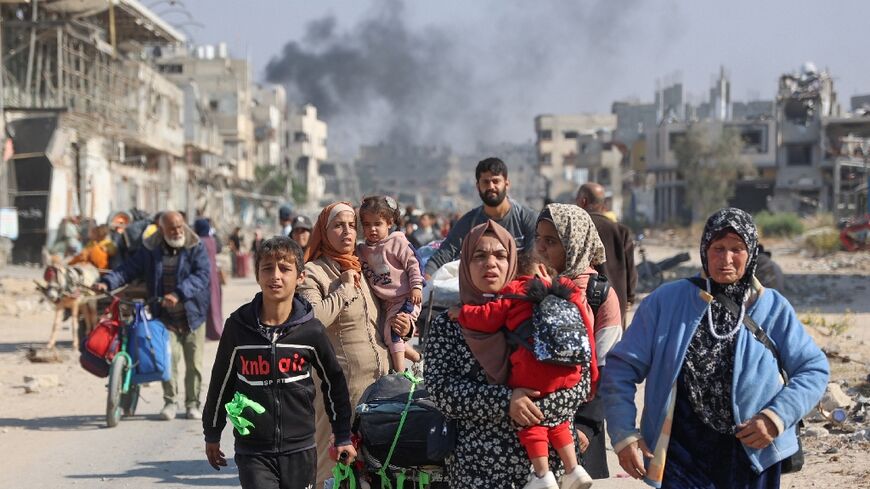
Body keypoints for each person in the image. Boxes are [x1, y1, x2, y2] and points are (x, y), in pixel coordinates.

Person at [600, 208, 829, 489]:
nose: (726, 259)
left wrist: (776, 418)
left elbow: (813, 369)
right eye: (718, 248)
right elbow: (620, 369)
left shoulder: (772, 307)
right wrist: (624, 434)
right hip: (682, 454)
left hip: (753, 454)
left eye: (737, 249)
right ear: (704, 250)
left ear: (752, 252)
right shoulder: (666, 302)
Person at [424, 220, 589, 488]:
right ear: (465, 264)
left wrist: (537, 406)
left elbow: (581, 380)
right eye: (479, 256)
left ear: (512, 261)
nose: (490, 263)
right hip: (479, 470)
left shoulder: (546, 310)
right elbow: (441, 390)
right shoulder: (450, 323)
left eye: (500, 255)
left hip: (549, 471)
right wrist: (506, 401)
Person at [202, 237, 356, 488]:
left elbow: (334, 383)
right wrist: (212, 431)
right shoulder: (238, 327)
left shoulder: (311, 330)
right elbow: (221, 383)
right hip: (253, 450)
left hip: (301, 449)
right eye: (267, 268)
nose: (275, 276)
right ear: (257, 275)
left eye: (285, 269)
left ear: (300, 277)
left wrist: (342, 435)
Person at [297, 201, 412, 485]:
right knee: (333, 470)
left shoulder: (366, 267)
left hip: (378, 389)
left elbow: (388, 309)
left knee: (375, 470)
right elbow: (313, 320)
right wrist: (345, 287)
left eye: (351, 225)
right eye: (338, 226)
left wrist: (406, 327)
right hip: (339, 393)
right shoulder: (313, 273)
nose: (347, 231)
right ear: (324, 232)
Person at [534, 203, 622, 479]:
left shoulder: (599, 295)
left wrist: (586, 424)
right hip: (534, 421)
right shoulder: (531, 284)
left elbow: (608, 366)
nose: (541, 248)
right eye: (538, 238)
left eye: (551, 241)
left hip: (580, 424)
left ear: (574, 244)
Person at [96, 211, 211, 421]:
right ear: (161, 229)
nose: (177, 231)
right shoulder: (150, 250)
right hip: (165, 316)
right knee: (169, 361)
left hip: (193, 315)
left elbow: (202, 276)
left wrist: (178, 294)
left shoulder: (195, 246)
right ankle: (170, 402)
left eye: (180, 227)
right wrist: (107, 282)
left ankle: (193, 404)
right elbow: (128, 270)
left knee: (194, 364)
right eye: (172, 228)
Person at [424, 157, 538, 279]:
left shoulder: (527, 218)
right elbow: (441, 257)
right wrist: (425, 283)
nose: (491, 186)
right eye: (485, 182)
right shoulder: (469, 222)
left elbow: (534, 262)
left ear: (506, 184)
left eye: (496, 181)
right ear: (478, 186)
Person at [356, 195, 423, 372]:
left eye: (377, 224)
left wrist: (416, 286)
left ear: (389, 223)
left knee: (394, 332)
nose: (372, 229)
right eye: (367, 224)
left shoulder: (397, 242)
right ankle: (417, 358)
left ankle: (399, 375)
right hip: (386, 304)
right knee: (386, 337)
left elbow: (414, 264)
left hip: (405, 298)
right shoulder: (362, 251)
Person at [576, 183, 636, 324]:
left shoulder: (577, 228)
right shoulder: (621, 231)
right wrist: (629, 297)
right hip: (616, 304)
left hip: (584, 304)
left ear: (583, 201)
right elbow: (630, 269)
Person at [194, 218, 224, 340]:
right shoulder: (212, 240)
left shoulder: (200, 242)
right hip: (214, 276)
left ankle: (211, 332)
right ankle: (217, 329)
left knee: (207, 304)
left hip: (204, 275)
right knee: (215, 302)